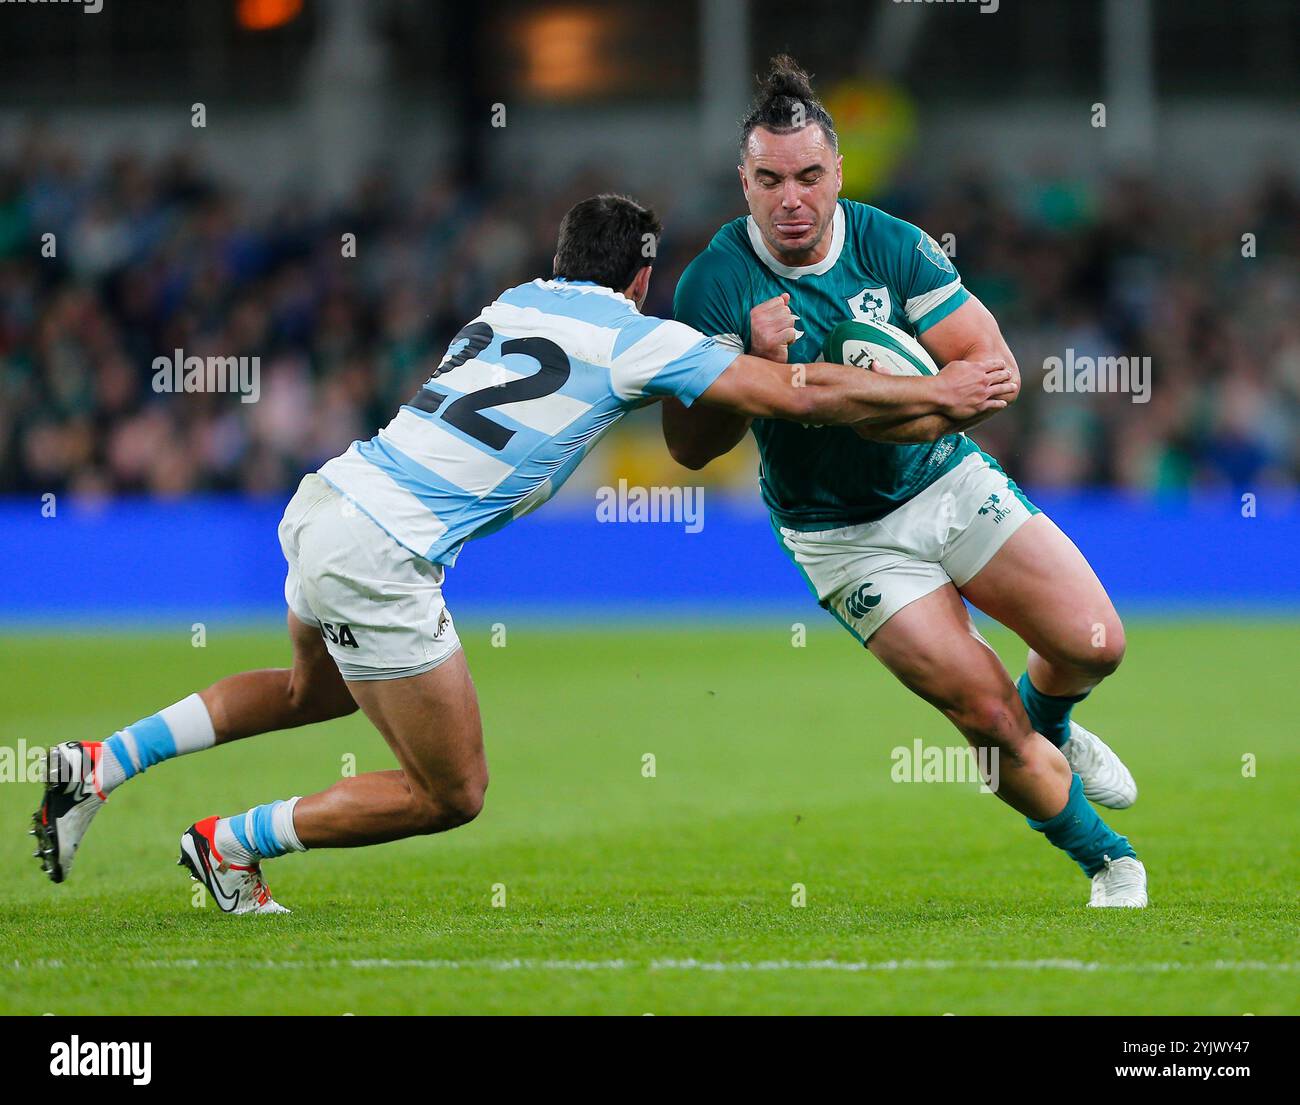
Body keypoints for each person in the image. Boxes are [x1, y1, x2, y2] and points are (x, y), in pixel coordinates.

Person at [32, 193, 1014, 913]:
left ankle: (100, 760)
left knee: (310, 694)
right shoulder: (635, 334)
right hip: (386, 550)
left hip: (327, 500)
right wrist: (936, 398)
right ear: (639, 273)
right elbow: (790, 397)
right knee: (450, 793)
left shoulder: (509, 304)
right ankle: (227, 844)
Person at [663, 57, 1146, 907]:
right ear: (744, 179)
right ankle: (1110, 862)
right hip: (843, 537)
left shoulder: (893, 243)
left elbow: (992, 372)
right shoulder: (716, 285)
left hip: (946, 481)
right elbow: (690, 448)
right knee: (987, 719)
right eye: (769, 179)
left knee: (1094, 644)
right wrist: (750, 367)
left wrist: (856, 406)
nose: (791, 199)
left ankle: (1057, 727)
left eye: (810, 175)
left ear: (839, 171)